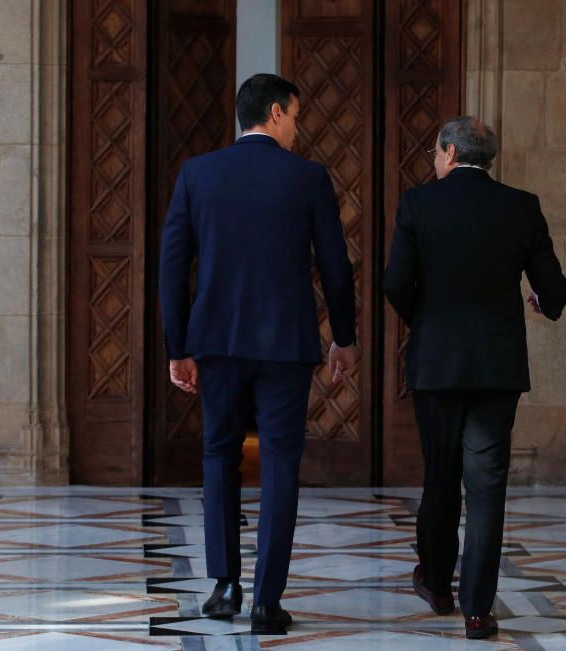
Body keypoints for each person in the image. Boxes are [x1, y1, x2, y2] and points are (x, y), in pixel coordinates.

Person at [159, 73, 358, 635]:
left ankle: (224, 586)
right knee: (279, 463)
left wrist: (179, 347)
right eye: (295, 115)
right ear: (274, 113)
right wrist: (344, 336)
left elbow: (173, 266)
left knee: (219, 455)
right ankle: (268, 600)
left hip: (215, 343)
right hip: (286, 345)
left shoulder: (198, 174)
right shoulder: (308, 178)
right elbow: (336, 268)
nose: (298, 127)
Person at [383, 116, 566, 640]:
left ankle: (438, 584)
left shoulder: (419, 204)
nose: (432, 161)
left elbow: (395, 281)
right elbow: (553, 289)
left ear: (448, 152)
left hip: (436, 363)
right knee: (486, 487)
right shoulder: (520, 206)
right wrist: (540, 300)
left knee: (439, 475)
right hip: (496, 366)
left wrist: (426, 316)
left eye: (434, 154)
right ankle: (477, 610)